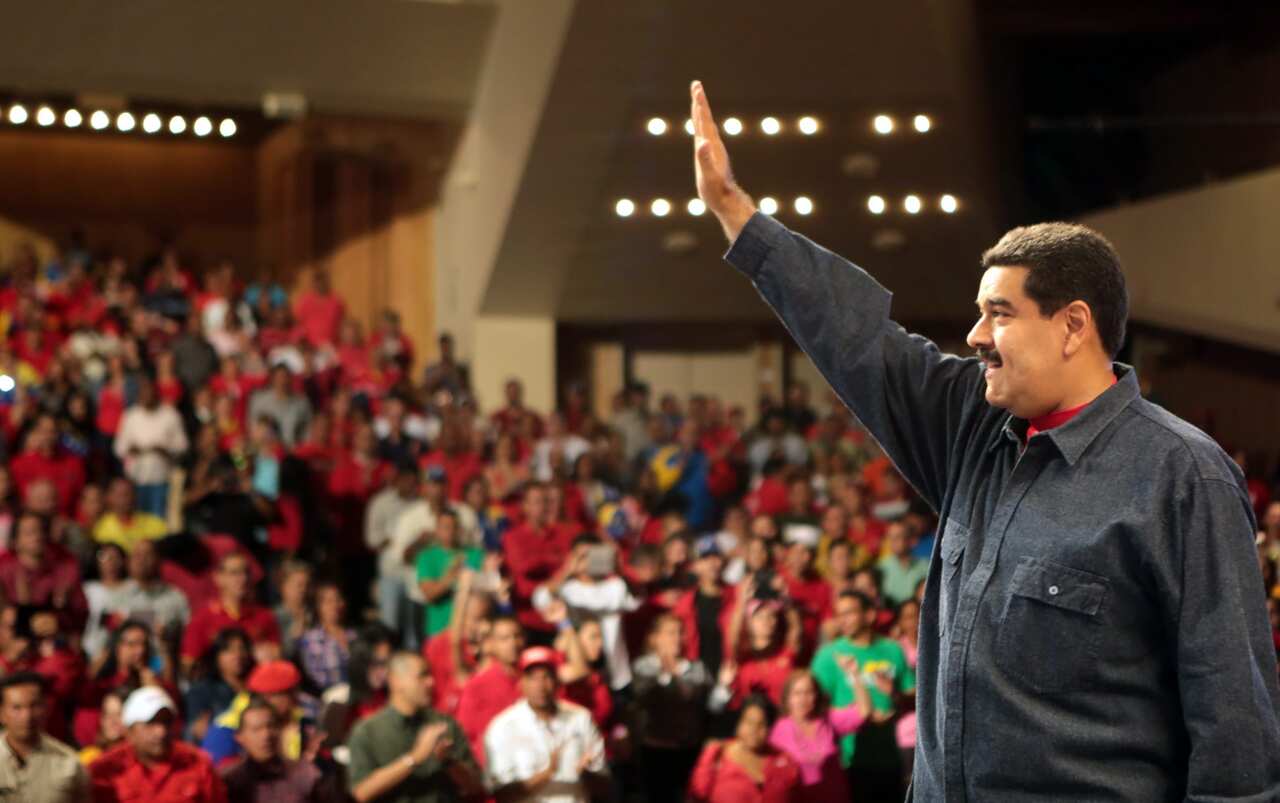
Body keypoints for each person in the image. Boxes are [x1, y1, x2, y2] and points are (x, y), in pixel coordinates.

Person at [691, 79, 1280, 799]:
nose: (974, 337)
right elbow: (860, 339)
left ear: (1072, 325)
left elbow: (1236, 732)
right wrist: (736, 214)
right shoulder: (974, 428)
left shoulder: (1182, 476)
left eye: (999, 314)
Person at [810, 591, 912, 799]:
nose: (842, 620)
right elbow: (813, 708)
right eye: (839, 614)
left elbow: (912, 697)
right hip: (848, 760)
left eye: (849, 613)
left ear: (869, 615)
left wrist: (895, 696)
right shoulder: (828, 656)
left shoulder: (893, 649)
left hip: (889, 757)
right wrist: (854, 718)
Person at [345, 651, 482, 803]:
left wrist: (448, 761)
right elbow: (361, 793)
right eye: (422, 676)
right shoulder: (367, 732)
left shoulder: (444, 723)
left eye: (430, 675)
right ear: (396, 681)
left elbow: (476, 786)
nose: (431, 682)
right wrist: (414, 758)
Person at [483, 646, 608, 803]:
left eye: (546, 677)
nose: (540, 685)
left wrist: (586, 774)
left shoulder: (580, 719)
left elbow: (605, 788)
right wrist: (547, 773)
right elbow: (501, 793)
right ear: (521, 682)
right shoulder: (503, 727)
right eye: (532, 678)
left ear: (557, 680)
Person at [89, 686, 226, 802]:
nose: (161, 731)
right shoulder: (104, 769)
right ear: (129, 730)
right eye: (150, 723)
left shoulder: (198, 763)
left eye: (166, 722)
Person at [768, 668, 872, 801]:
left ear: (816, 696)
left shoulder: (828, 719)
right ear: (787, 698)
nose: (803, 699)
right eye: (797, 693)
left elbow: (864, 713)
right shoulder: (779, 730)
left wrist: (854, 674)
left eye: (808, 692)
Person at [221, 697, 343, 803]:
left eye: (271, 726)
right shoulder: (229, 781)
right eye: (256, 729)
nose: (266, 735)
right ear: (240, 737)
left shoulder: (306, 775)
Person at [687, 695, 801, 803]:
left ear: (770, 729)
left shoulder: (783, 761)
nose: (754, 729)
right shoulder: (716, 755)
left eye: (762, 724)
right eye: (748, 722)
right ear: (738, 724)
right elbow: (696, 795)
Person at [181, 551, 281, 670]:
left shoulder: (264, 616)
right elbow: (189, 663)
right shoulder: (203, 618)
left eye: (246, 573)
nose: (242, 579)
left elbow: (277, 654)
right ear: (218, 578)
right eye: (234, 573)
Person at [0, 671, 89, 803]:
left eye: (34, 706)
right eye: (17, 708)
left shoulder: (70, 764)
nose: (27, 716)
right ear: (2, 713)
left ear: (46, 708)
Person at [113, 376, 188, 516]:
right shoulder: (130, 416)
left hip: (162, 480)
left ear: (156, 393)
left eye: (150, 392)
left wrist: (165, 450)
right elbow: (118, 448)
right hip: (136, 481)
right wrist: (131, 449)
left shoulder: (170, 415)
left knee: (158, 521)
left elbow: (182, 446)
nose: (146, 395)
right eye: (143, 392)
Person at [455, 614, 524, 762]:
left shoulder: (532, 678)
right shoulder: (477, 686)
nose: (513, 643)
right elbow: (464, 734)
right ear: (491, 644)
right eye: (504, 639)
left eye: (517, 636)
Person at [415, 509, 484, 640]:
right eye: (445, 527)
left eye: (454, 527)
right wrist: (451, 576)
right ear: (436, 529)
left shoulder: (475, 554)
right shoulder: (426, 556)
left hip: (470, 629)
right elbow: (429, 594)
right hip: (439, 629)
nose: (450, 531)